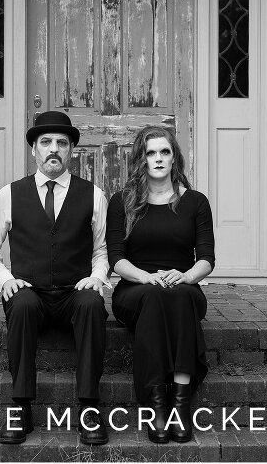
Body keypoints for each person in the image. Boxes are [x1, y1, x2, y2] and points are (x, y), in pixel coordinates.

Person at [0, 110, 111, 446]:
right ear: (33, 149)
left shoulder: (93, 195)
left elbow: (102, 249)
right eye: (46, 142)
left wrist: (97, 277)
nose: (54, 149)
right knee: (19, 304)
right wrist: (5, 279)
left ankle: (89, 408)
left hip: (73, 293)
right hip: (30, 292)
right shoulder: (9, 194)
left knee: (93, 304)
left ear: (71, 150)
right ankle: (21, 408)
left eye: (61, 143)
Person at [106, 126, 215, 444]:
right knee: (155, 296)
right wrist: (146, 276)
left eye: (164, 152)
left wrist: (186, 276)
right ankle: (157, 405)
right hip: (135, 289)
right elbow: (116, 260)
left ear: (174, 158)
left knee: (179, 296)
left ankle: (180, 404)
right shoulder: (122, 202)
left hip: (183, 287)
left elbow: (206, 259)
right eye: (150, 152)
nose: (157, 158)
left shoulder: (195, 202)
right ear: (141, 159)